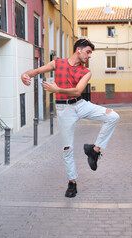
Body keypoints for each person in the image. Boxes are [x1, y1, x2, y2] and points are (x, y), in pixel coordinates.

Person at [21, 38, 120, 198]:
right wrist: (25, 74)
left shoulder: (86, 72)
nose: (89, 56)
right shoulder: (58, 63)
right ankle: (72, 183)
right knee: (67, 149)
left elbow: (77, 91)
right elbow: (38, 71)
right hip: (64, 109)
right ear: (78, 50)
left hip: (81, 105)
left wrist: (57, 88)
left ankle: (94, 150)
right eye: (88, 52)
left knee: (113, 116)